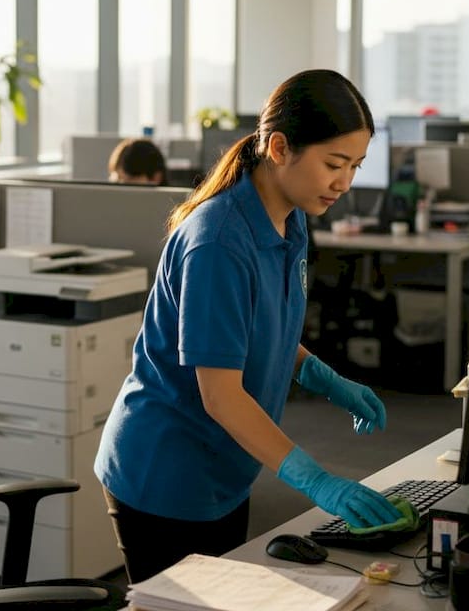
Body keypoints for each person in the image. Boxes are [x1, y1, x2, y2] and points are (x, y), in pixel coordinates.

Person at [93, 69, 401, 584]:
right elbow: (220, 395)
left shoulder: (291, 218)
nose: (345, 183)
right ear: (279, 148)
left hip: (227, 466)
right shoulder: (218, 242)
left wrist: (324, 377)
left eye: (355, 166)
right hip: (166, 471)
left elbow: (260, 328)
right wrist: (316, 481)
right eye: (334, 164)